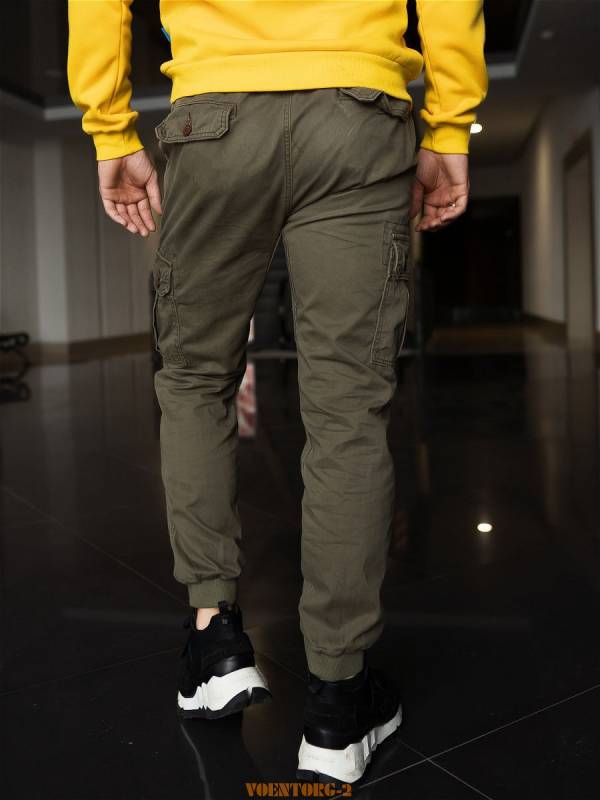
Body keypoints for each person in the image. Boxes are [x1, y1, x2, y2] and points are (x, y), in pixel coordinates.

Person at [67, 0, 487, 785]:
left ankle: (215, 640)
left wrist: (109, 128)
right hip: (357, 112)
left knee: (195, 381)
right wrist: (450, 122)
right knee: (349, 410)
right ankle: (337, 704)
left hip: (215, 114)